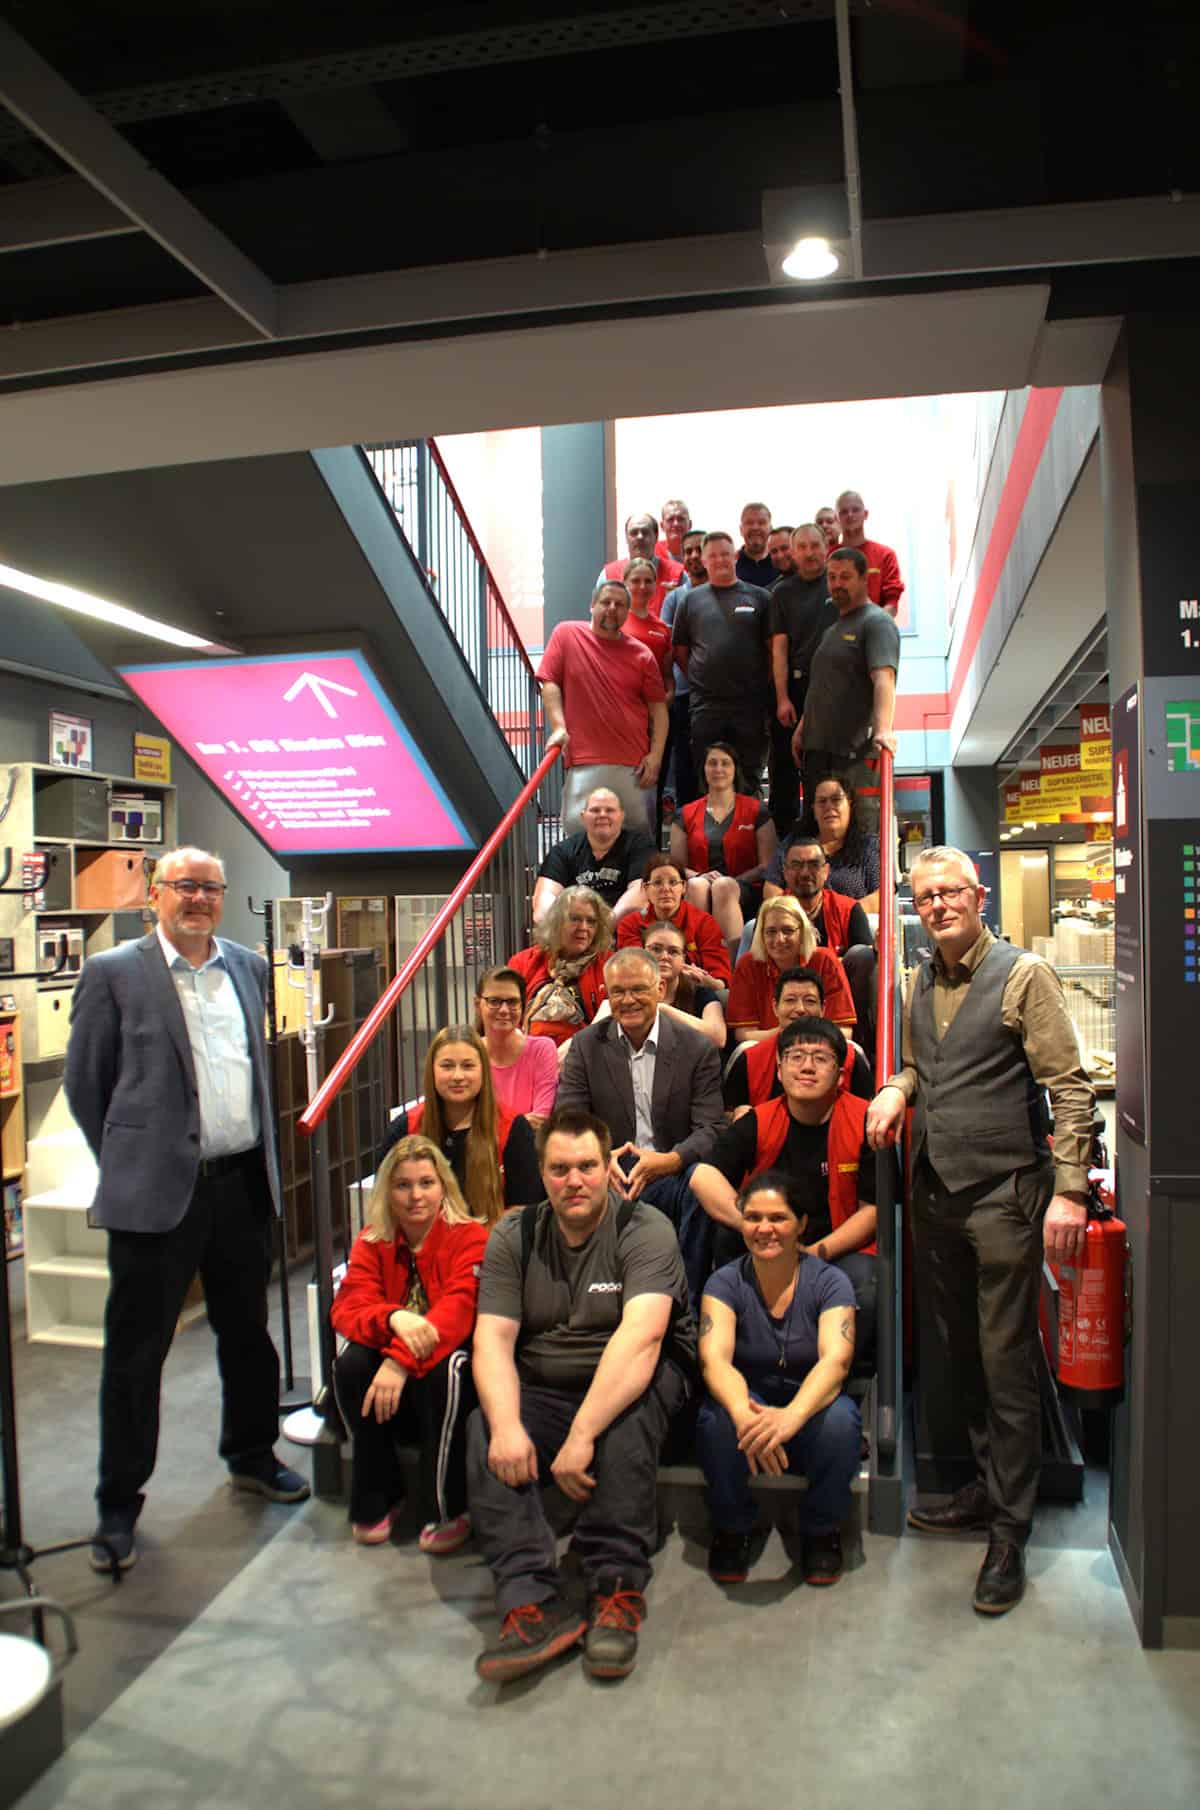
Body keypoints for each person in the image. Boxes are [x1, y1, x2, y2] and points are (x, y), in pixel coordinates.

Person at [65, 846, 308, 1573]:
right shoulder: (113, 973)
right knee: (137, 1355)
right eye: (184, 886)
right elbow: (87, 1086)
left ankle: (252, 1456)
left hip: (239, 1185)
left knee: (247, 1333)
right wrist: (134, 1160)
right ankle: (118, 1503)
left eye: (210, 887)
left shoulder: (248, 968)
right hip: (156, 1196)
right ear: (156, 895)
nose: (198, 898)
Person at [866, 846, 1096, 1616]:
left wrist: (1069, 1191)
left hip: (1003, 1194)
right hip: (936, 1194)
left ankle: (1009, 1529)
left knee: (1005, 1362)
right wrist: (896, 1088)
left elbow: (1070, 1090)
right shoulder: (915, 982)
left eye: (949, 892)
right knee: (960, 1354)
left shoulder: (1024, 976)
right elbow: (919, 1068)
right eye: (924, 896)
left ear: (978, 895)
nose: (937, 905)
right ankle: (983, 1488)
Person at [468, 1107, 695, 1682]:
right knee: (484, 1425)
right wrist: (507, 1426)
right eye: (560, 1169)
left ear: (609, 1166)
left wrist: (581, 1435)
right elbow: (492, 1338)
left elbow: (642, 1340)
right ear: (541, 1173)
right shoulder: (514, 1235)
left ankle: (615, 1587)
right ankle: (530, 1600)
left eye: (588, 1167)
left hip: (634, 1377)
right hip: (545, 1383)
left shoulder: (645, 1229)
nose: (575, 1181)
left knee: (626, 1423)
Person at [697, 1171, 860, 1586]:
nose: (764, 1229)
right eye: (753, 1217)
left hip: (809, 1404)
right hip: (751, 1402)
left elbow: (836, 1362)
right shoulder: (724, 1282)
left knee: (842, 1422)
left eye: (778, 1218)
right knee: (716, 1419)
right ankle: (732, 1528)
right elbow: (714, 1360)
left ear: (801, 1224)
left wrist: (791, 1417)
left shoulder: (831, 1282)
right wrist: (743, 1414)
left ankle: (821, 1531)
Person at [331, 1136, 489, 1551]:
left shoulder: (470, 1236)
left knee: (449, 1369)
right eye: (403, 1185)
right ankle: (380, 1492)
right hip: (396, 1371)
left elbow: (457, 1313)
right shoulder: (373, 1240)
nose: (416, 1195)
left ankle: (449, 1507)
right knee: (350, 1364)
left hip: (447, 1369)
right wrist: (392, 1317)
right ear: (388, 1191)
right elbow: (347, 1308)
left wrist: (399, 1362)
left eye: (426, 1183)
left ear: (444, 1187)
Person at [690, 1016, 879, 1347]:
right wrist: (754, 1226)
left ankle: (847, 1372)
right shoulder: (761, 1119)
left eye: (820, 1058)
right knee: (726, 1239)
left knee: (865, 1281)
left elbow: (872, 1212)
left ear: (840, 1075)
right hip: (770, 1241)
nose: (807, 1067)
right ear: (779, 1070)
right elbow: (703, 1177)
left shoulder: (866, 1121)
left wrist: (813, 1253)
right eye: (796, 1056)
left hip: (836, 1249)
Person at [557, 947, 725, 1304]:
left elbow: (710, 1129)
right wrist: (601, 1160)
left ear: (660, 989)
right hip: (608, 1169)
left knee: (702, 1185)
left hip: (672, 1169)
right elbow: (569, 1119)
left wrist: (671, 1161)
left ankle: (685, 1307)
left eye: (638, 989)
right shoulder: (586, 1046)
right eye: (618, 991)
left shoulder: (696, 1047)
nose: (628, 1000)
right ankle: (585, 1309)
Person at [537, 579, 667, 834]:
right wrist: (559, 727)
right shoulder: (566, 634)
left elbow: (659, 711)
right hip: (583, 761)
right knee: (578, 835)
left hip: (634, 766)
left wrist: (656, 756)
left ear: (627, 612)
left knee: (637, 840)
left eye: (620, 604)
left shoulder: (642, 654)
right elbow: (549, 682)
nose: (612, 608)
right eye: (606, 602)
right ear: (592, 605)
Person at [379, 1024, 542, 1212]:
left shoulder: (514, 1128)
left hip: (493, 1231)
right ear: (432, 1071)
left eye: (468, 1066)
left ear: (483, 1070)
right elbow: (385, 1204)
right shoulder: (404, 1129)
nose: (457, 1076)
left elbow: (525, 1211)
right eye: (447, 1066)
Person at [792, 546, 899, 819]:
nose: (837, 583)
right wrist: (803, 726)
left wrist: (884, 730)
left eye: (845, 576)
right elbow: (822, 684)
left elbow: (884, 678)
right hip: (818, 754)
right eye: (832, 577)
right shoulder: (832, 629)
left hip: (854, 756)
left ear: (864, 579)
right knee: (820, 834)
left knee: (858, 832)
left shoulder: (877, 623)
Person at [671, 530, 773, 788]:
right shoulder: (690, 601)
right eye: (713, 555)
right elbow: (680, 650)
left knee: (748, 778)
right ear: (704, 560)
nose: (720, 560)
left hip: (750, 706)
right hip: (706, 707)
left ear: (735, 556)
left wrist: (761, 682)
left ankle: (749, 816)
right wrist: (699, 676)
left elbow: (774, 650)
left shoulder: (760, 597)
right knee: (708, 779)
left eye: (725, 554)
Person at [723, 966, 872, 1114]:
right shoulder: (750, 1057)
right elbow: (728, 1112)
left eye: (810, 1001)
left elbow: (868, 1112)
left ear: (823, 1008)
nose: (800, 1009)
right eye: (790, 1000)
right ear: (775, 1007)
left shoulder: (851, 1057)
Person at [670, 741, 776, 945]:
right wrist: (700, 876)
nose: (718, 769)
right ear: (704, 769)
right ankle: (695, 957)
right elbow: (677, 866)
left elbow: (767, 865)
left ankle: (729, 962)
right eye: (712, 763)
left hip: (746, 886)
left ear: (735, 770)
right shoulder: (685, 814)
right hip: (699, 883)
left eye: (725, 763)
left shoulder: (757, 811)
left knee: (723, 886)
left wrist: (734, 880)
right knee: (696, 885)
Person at [768, 523, 835, 835]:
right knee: (784, 771)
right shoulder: (782, 592)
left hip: (832, 691)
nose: (809, 553)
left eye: (814, 545)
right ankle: (786, 846)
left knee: (821, 772)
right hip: (794, 689)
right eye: (802, 547)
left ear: (826, 547)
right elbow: (779, 648)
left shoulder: (838, 584)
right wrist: (782, 697)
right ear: (793, 553)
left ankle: (823, 840)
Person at [727, 894, 855, 1042]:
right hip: (768, 1046)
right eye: (771, 931)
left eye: (788, 930)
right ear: (761, 935)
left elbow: (844, 1031)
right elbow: (744, 1035)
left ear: (803, 932)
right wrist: (786, 1034)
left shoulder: (825, 961)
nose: (779, 939)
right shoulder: (748, 964)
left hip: (821, 1046)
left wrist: (805, 1039)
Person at [509, 885, 612, 1049]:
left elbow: (609, 1024)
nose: (584, 928)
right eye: (575, 919)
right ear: (556, 921)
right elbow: (507, 1016)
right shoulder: (523, 962)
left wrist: (569, 1051)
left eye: (591, 921)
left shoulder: (608, 965)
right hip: (528, 1053)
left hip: (586, 1055)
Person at [533, 787, 654, 925]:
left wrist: (603, 927)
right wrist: (574, 928)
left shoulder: (641, 847)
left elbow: (640, 895)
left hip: (622, 930)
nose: (602, 815)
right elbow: (543, 904)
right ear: (583, 816)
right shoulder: (561, 852)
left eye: (610, 810)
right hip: (572, 931)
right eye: (595, 810)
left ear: (621, 816)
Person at [766, 774, 882, 913]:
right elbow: (771, 888)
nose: (829, 806)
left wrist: (841, 916)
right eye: (822, 801)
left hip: (853, 922)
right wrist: (799, 916)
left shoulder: (869, 846)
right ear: (814, 810)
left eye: (836, 799)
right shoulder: (793, 844)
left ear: (849, 804)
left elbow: (881, 895)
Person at [616, 851, 731, 987]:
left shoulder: (704, 923)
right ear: (646, 888)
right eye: (657, 882)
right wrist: (679, 969)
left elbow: (720, 980)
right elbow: (635, 968)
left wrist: (705, 980)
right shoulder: (630, 924)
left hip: (695, 989)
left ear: (684, 887)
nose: (666, 889)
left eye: (673, 882)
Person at [659, 528, 707, 810]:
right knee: (685, 765)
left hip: (720, 697)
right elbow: (671, 648)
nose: (693, 556)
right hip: (685, 695)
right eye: (688, 551)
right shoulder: (674, 599)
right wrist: (695, 679)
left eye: (699, 549)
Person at [474, 967, 558, 1128]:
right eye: (494, 1001)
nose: (504, 1010)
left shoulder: (542, 1049)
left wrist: (489, 1126)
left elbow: (541, 1119)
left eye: (512, 1002)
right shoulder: (469, 1053)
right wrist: (520, 1124)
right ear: (478, 1005)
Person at [774, 835, 872, 955]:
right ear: (785, 872)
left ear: (826, 871)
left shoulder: (848, 910)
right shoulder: (771, 911)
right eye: (796, 865)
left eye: (814, 865)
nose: (805, 873)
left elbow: (864, 960)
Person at [639, 919, 727, 1049]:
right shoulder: (628, 991)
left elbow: (718, 1038)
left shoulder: (701, 994)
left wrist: (662, 1009)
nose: (664, 956)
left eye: (673, 951)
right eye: (656, 949)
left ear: (683, 958)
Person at [833, 488, 905, 616]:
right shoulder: (828, 556)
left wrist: (874, 625)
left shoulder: (885, 555)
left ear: (865, 514)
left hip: (875, 626)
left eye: (855, 510)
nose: (850, 515)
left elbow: (892, 604)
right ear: (836, 518)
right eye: (844, 511)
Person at [598, 511, 683, 617]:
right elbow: (598, 618)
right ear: (626, 537)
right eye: (634, 533)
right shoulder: (608, 575)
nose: (640, 537)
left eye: (645, 532)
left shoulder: (678, 574)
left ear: (656, 536)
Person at [735, 501, 775, 588]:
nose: (755, 527)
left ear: (770, 529)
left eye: (761, 522)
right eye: (749, 523)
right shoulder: (731, 565)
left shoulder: (780, 563)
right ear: (741, 529)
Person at [656, 497, 692, 563]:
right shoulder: (653, 552)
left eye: (681, 519)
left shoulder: (702, 553)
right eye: (670, 519)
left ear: (690, 524)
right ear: (662, 526)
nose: (676, 524)